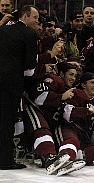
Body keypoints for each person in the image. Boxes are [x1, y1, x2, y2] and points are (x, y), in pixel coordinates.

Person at [0, 5, 39, 169]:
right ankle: (5, 160)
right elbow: (30, 68)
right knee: (6, 121)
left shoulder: (3, 30)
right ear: (25, 16)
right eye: (35, 17)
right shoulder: (29, 33)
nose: (37, 21)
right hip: (11, 83)